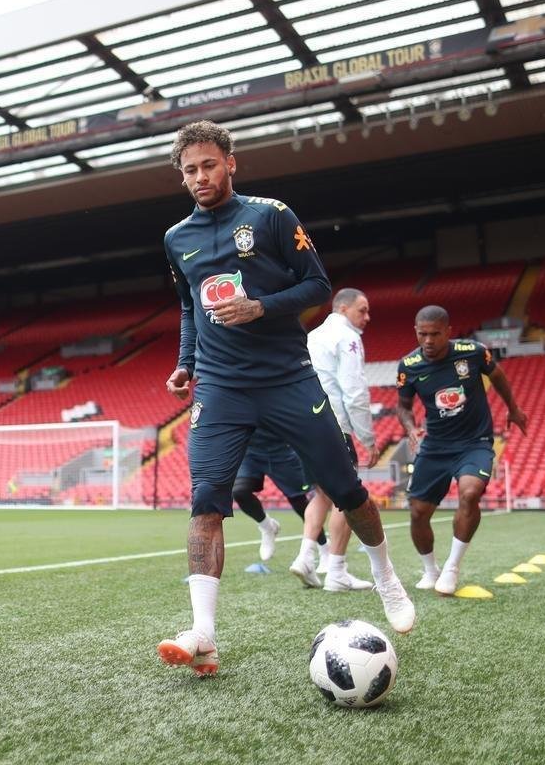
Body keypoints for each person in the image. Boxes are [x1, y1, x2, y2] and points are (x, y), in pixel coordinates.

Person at [157, 120, 414, 677]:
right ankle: (203, 632)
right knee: (206, 500)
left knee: (344, 487)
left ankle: (386, 577)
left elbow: (318, 286)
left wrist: (261, 306)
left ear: (230, 163)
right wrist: (186, 362)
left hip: (286, 379)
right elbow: (189, 308)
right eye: (190, 170)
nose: (200, 177)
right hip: (221, 387)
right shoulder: (177, 238)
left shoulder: (271, 215)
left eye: (209, 165)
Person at [397, 305, 527, 596]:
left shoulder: (473, 352)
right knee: (418, 512)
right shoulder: (408, 366)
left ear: (448, 332)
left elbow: (498, 375)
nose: (428, 341)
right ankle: (430, 570)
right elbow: (403, 406)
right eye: (422, 334)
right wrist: (410, 427)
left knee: (470, 493)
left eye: (434, 334)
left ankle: (452, 568)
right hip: (435, 446)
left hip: (474, 442)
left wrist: (513, 408)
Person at [291, 288, 378, 593]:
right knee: (347, 495)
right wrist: (368, 438)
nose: (367, 317)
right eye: (362, 310)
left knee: (322, 495)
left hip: (302, 423)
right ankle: (337, 571)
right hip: (332, 422)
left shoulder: (312, 336)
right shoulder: (348, 337)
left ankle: (305, 556)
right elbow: (354, 391)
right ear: (342, 308)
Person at [231, 429, 327, 563]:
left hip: (281, 450)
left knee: (299, 502)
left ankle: (324, 549)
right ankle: (267, 527)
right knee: (239, 491)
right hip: (249, 450)